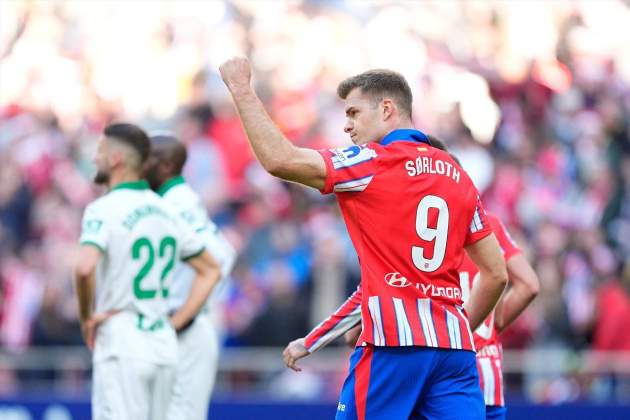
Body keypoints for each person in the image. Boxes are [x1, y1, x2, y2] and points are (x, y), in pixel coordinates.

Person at [220, 57, 508, 419]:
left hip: (392, 346)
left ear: (387, 109)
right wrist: (457, 326)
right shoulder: (458, 174)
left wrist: (241, 90)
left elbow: (280, 160)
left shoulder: (372, 162)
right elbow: (497, 273)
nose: (347, 126)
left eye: (354, 113)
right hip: (454, 351)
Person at [284, 211, 539, 420]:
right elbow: (527, 285)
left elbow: (356, 332)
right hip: (483, 371)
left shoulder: (412, 227)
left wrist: (312, 341)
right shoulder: (486, 221)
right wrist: (485, 324)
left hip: (423, 362)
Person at [74, 123, 222, 420]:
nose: (94, 158)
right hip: (163, 342)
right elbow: (211, 268)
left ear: (116, 159)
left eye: (100, 151)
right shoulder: (165, 209)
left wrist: (87, 318)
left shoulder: (103, 208)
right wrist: (176, 322)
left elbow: (84, 266)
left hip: (122, 336)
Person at [144, 133, 237, 420]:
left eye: (146, 161)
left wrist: (182, 317)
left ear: (165, 165)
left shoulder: (178, 203)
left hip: (186, 328)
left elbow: (219, 260)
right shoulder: (172, 200)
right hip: (176, 325)